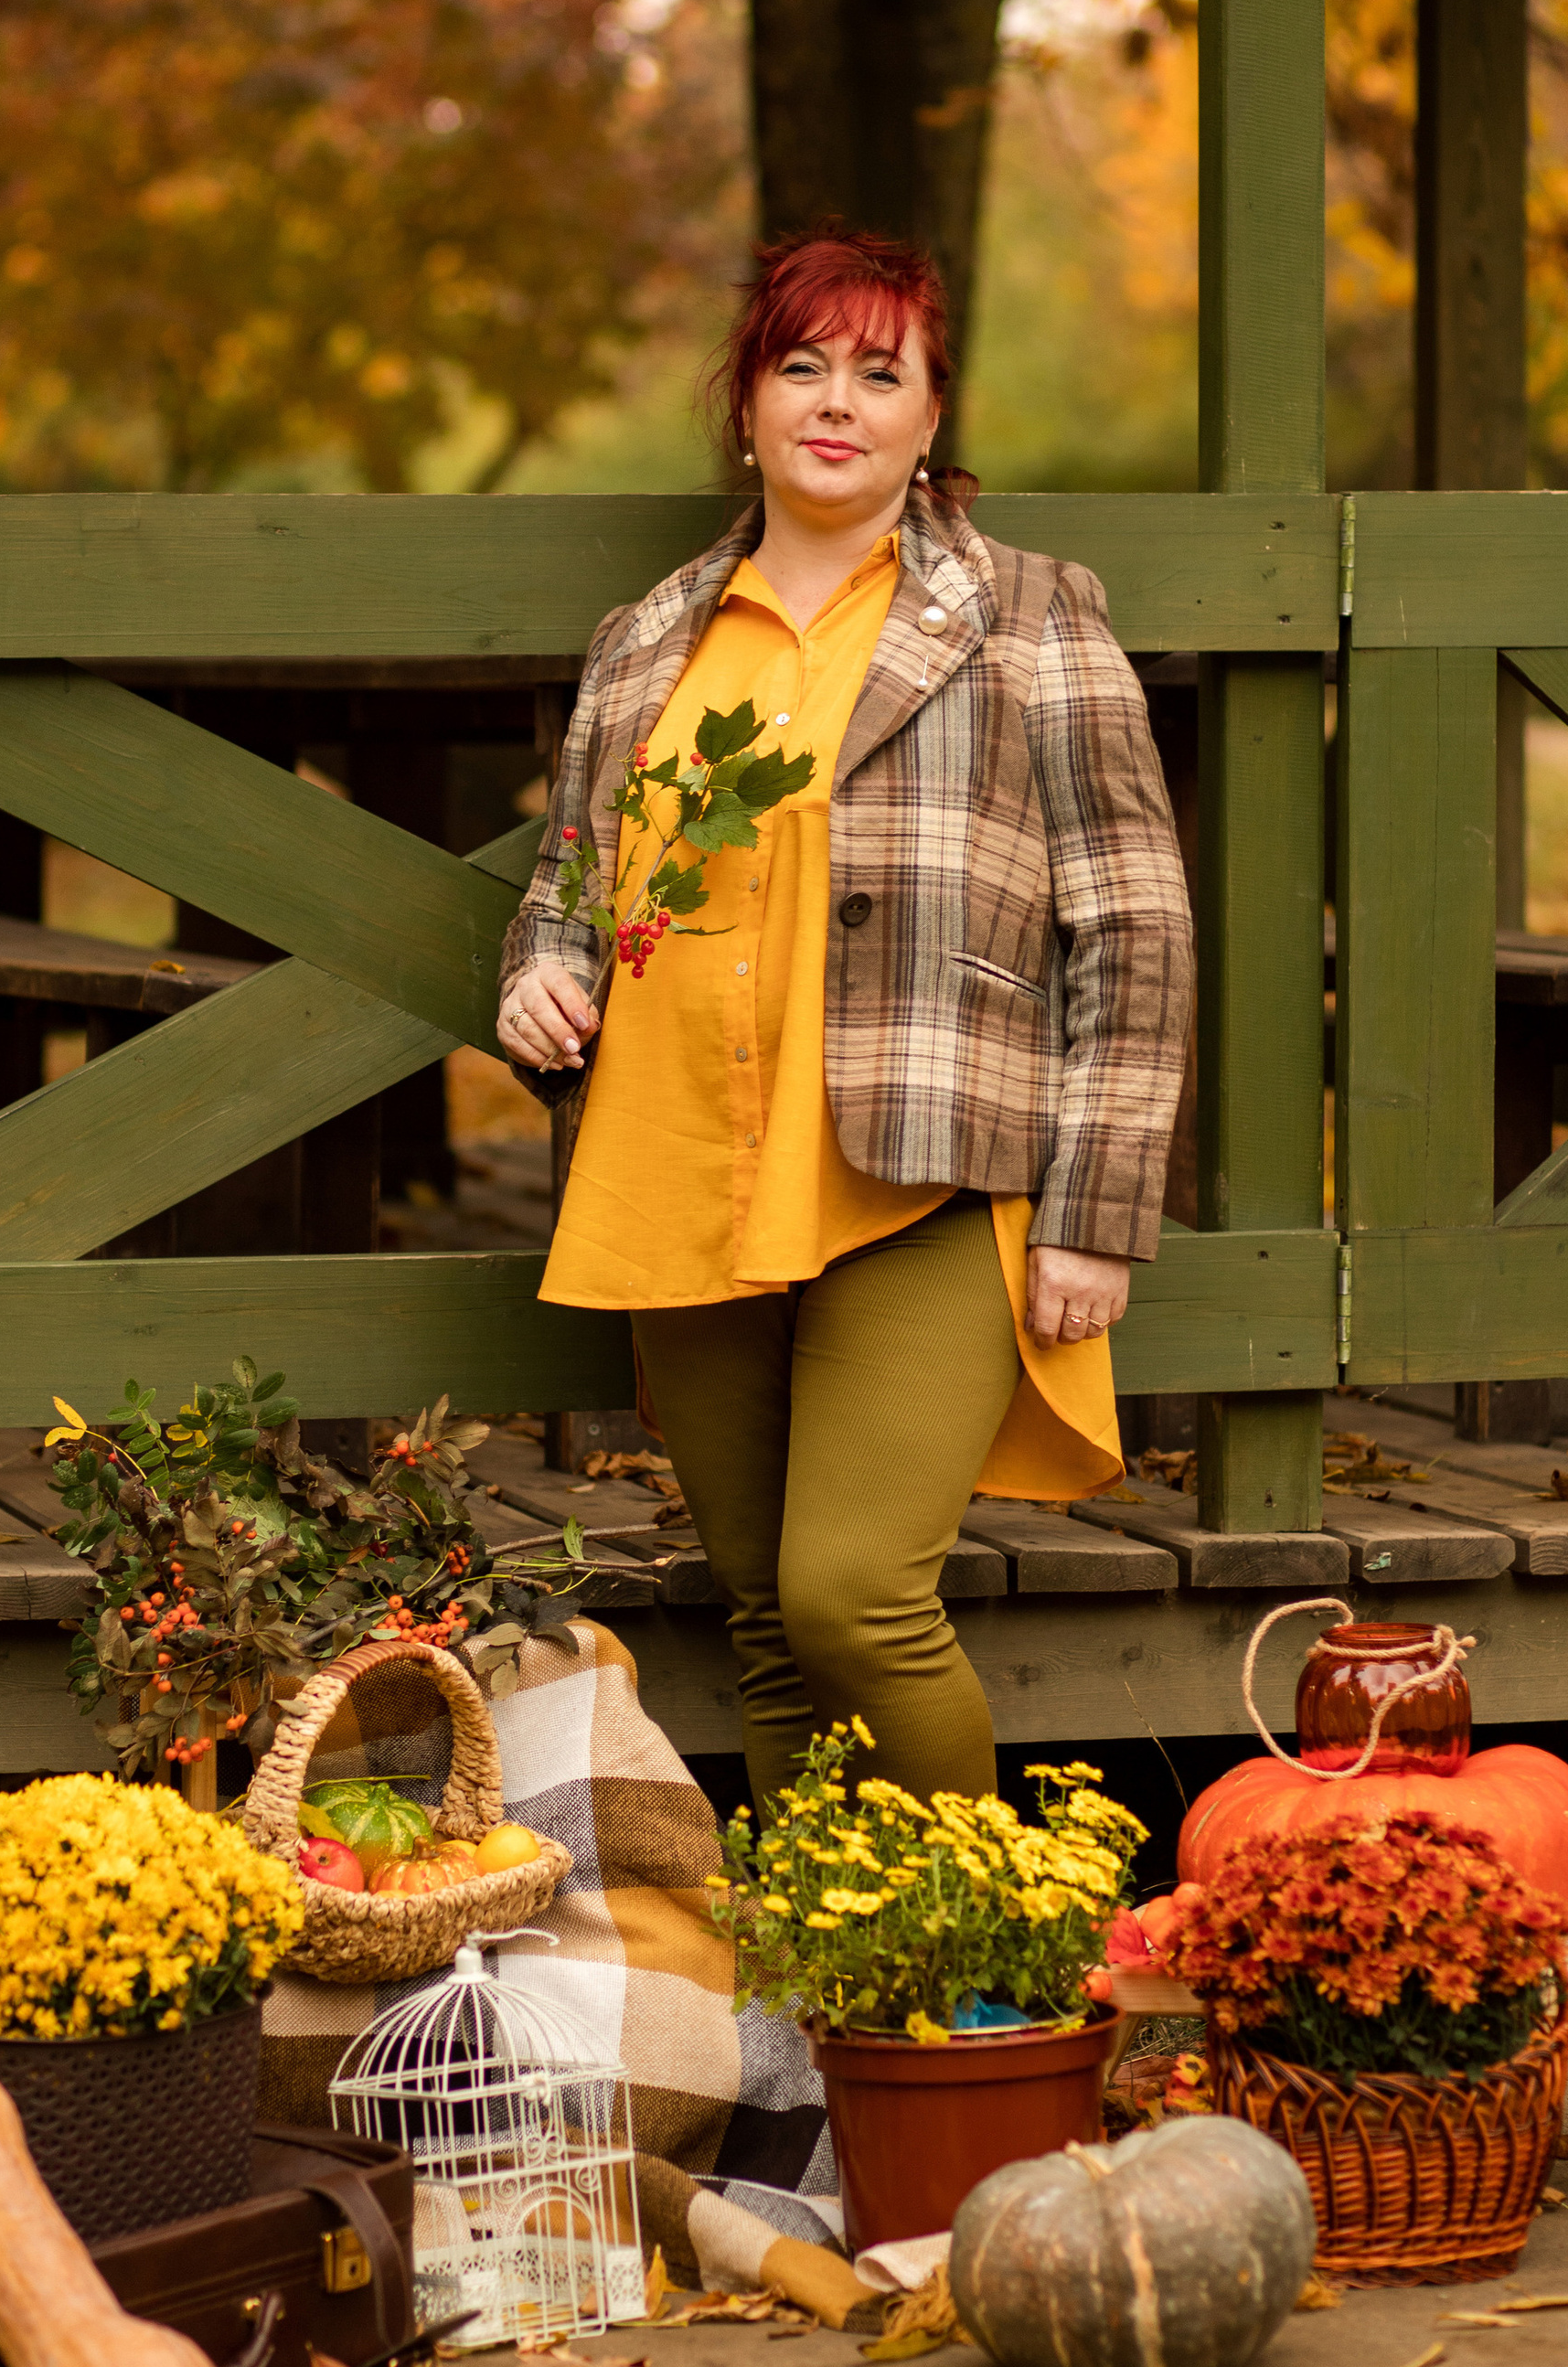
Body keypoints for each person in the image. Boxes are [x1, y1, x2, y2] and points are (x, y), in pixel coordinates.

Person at [496, 229, 1192, 1813]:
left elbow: (1138, 922)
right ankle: (825, 2012)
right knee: (761, 1619)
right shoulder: (648, 639)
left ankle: (966, 1968)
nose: (836, 401)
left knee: (851, 1599)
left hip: (923, 1165)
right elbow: (569, 885)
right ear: (745, 403)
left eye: (882, 373)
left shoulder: (1029, 614)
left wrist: (1095, 1215)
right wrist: (544, 966)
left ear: (931, 418)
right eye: (800, 364)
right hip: (687, 1156)